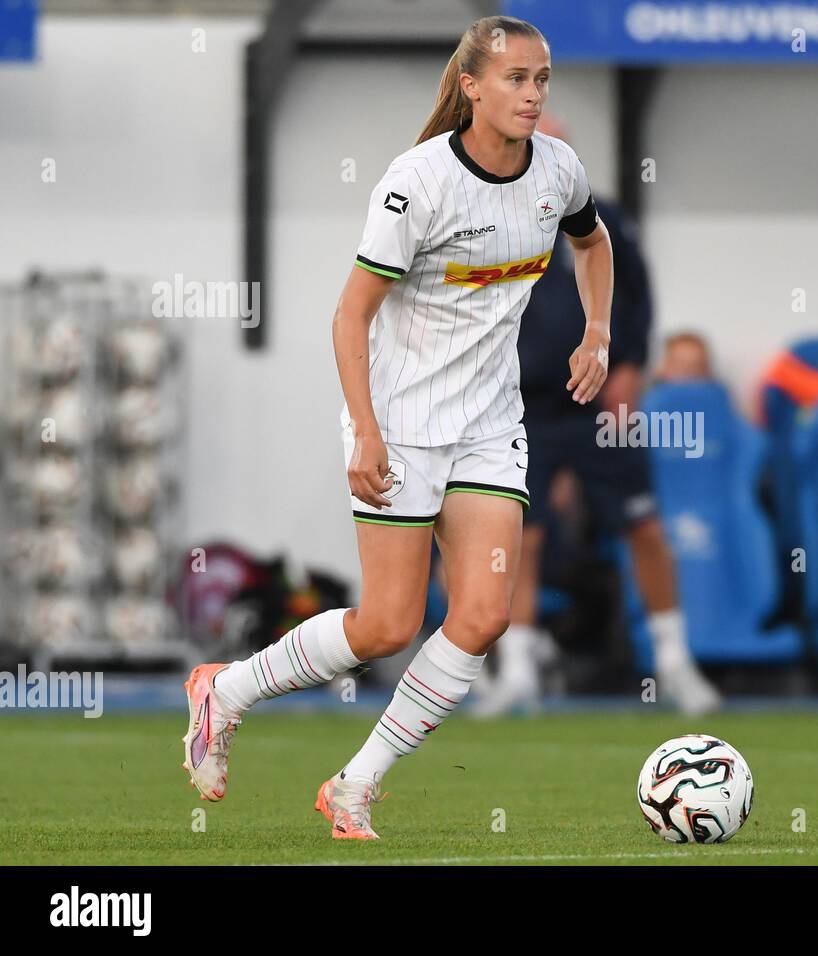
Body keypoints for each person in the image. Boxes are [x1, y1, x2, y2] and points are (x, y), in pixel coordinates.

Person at [180, 16, 614, 839]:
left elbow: (592, 244)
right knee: (386, 625)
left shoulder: (558, 170)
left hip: (490, 424)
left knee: (484, 615)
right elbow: (349, 318)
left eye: (543, 78)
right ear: (474, 86)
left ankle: (355, 784)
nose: (532, 93)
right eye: (516, 79)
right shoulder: (419, 183)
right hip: (402, 423)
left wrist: (598, 331)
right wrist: (368, 433)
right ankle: (224, 690)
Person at [480, 114, 721, 716]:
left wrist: (631, 366)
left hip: (598, 401)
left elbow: (637, 297)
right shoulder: (487, 216)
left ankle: (673, 661)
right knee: (519, 539)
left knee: (644, 527)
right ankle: (518, 671)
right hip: (523, 406)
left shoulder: (601, 217)